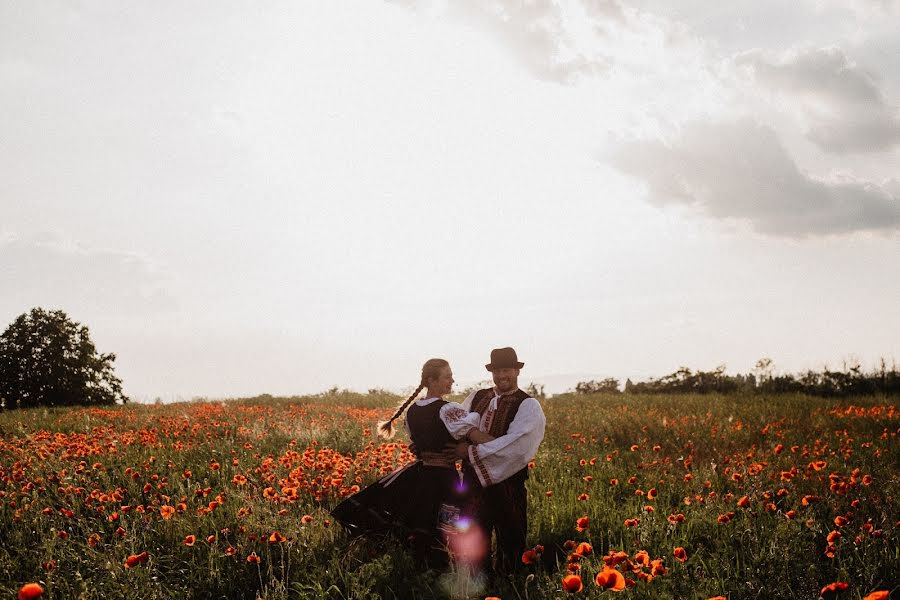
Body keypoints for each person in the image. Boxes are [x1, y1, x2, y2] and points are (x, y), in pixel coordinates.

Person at [330, 358, 493, 568]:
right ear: (432, 381)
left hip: (420, 475)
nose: (452, 380)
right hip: (444, 478)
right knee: (446, 526)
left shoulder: (413, 410)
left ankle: (418, 567)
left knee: (420, 522)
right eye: (447, 376)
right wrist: (503, 444)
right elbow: (474, 435)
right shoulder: (447, 409)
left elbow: (421, 443)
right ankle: (441, 569)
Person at [452, 347, 546, 573]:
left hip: (508, 483)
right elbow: (456, 427)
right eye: (497, 371)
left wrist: (471, 448)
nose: (502, 376)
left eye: (507, 370)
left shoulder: (528, 405)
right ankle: (479, 587)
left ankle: (508, 587)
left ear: (517, 371)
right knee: (475, 537)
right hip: (473, 482)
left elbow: (516, 447)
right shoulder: (477, 397)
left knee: (511, 539)